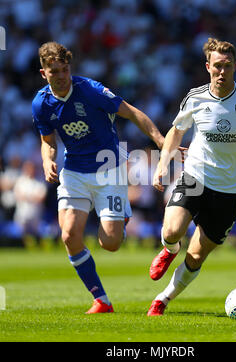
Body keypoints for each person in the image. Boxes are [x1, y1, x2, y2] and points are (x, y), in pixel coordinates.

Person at [147, 37, 236, 316]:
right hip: (195, 176)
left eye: (228, 66)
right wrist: (162, 163)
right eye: (217, 66)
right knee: (171, 231)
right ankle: (169, 250)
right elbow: (176, 131)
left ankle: (162, 300)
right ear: (207, 66)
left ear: (235, 66)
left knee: (196, 255)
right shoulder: (195, 97)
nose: (222, 72)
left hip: (230, 189)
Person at [32, 41, 164, 314]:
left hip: (110, 170)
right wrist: (47, 160)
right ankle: (101, 300)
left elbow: (132, 112)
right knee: (69, 234)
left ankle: (121, 215)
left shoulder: (90, 90)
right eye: (54, 71)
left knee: (111, 244)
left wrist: (162, 142)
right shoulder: (41, 103)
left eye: (65, 69)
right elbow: (48, 141)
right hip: (75, 173)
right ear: (43, 73)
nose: (61, 76)